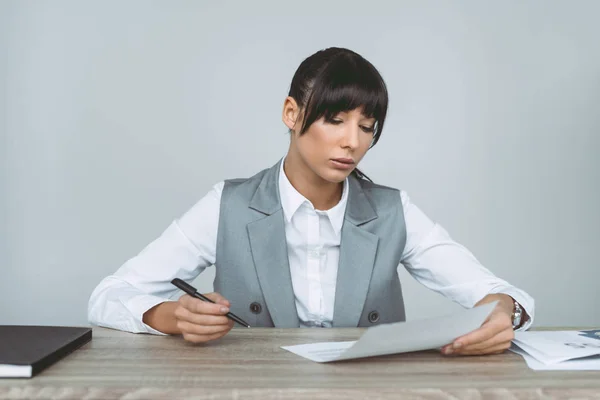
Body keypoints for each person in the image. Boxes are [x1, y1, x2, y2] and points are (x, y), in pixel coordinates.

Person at [88, 47, 534, 356]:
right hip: (252, 390)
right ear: (291, 113)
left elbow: (500, 293)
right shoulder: (228, 204)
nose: (351, 142)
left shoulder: (393, 210)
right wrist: (170, 315)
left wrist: (503, 314)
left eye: (367, 126)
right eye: (335, 119)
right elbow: (107, 296)